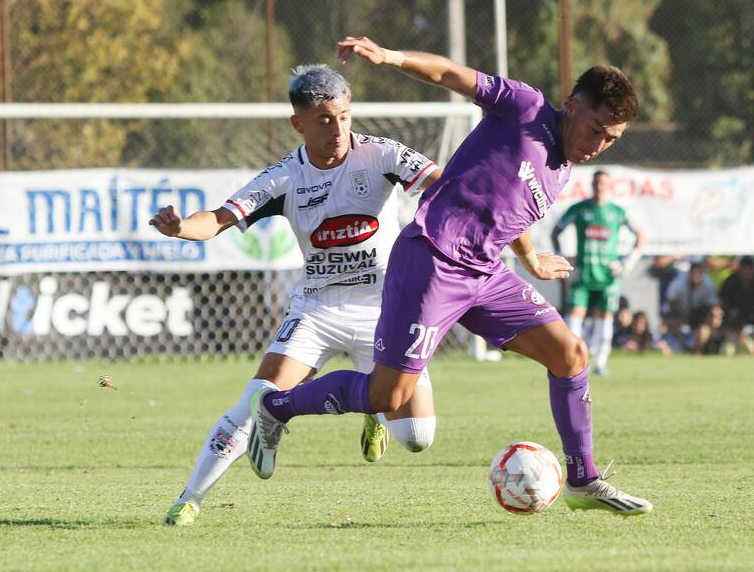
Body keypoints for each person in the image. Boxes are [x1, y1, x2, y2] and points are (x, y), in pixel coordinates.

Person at [246, 36, 653, 517]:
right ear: (573, 106)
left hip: (485, 272)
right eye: (596, 129)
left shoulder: (563, 168)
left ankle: (583, 480)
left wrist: (531, 259)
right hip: (432, 259)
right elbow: (449, 74)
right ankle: (277, 408)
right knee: (387, 394)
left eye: (611, 139)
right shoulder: (524, 108)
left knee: (570, 354)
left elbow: (505, 211)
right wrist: (392, 56)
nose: (599, 145)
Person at [151, 64, 444, 526]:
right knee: (257, 397)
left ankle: (371, 407)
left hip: (384, 309)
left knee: (418, 436)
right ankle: (189, 500)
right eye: (325, 119)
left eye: (344, 116)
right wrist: (182, 227)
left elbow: (443, 183)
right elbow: (218, 219)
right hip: (317, 308)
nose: (338, 128)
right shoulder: (283, 178)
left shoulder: (381, 154)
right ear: (299, 123)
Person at [551, 170, 645, 375]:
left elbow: (640, 235)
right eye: (596, 183)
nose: (599, 187)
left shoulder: (617, 212)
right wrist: (563, 260)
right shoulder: (579, 209)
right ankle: (573, 360)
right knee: (574, 316)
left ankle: (600, 363)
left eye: (603, 183)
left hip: (608, 277)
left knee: (605, 319)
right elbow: (556, 231)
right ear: (591, 185)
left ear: (609, 186)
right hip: (583, 275)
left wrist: (628, 263)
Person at [666, 261, 719, 354]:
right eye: (695, 273)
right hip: (680, 315)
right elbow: (671, 305)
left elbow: (712, 307)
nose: (697, 276)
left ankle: (697, 353)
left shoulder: (708, 286)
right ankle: (678, 350)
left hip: (700, 317)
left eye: (699, 273)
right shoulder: (678, 285)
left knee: (705, 329)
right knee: (673, 322)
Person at [719, 256, 754, 354]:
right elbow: (722, 303)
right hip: (732, 326)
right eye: (744, 269)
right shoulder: (730, 282)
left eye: (750, 269)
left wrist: (747, 330)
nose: (747, 272)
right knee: (728, 350)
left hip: (751, 326)